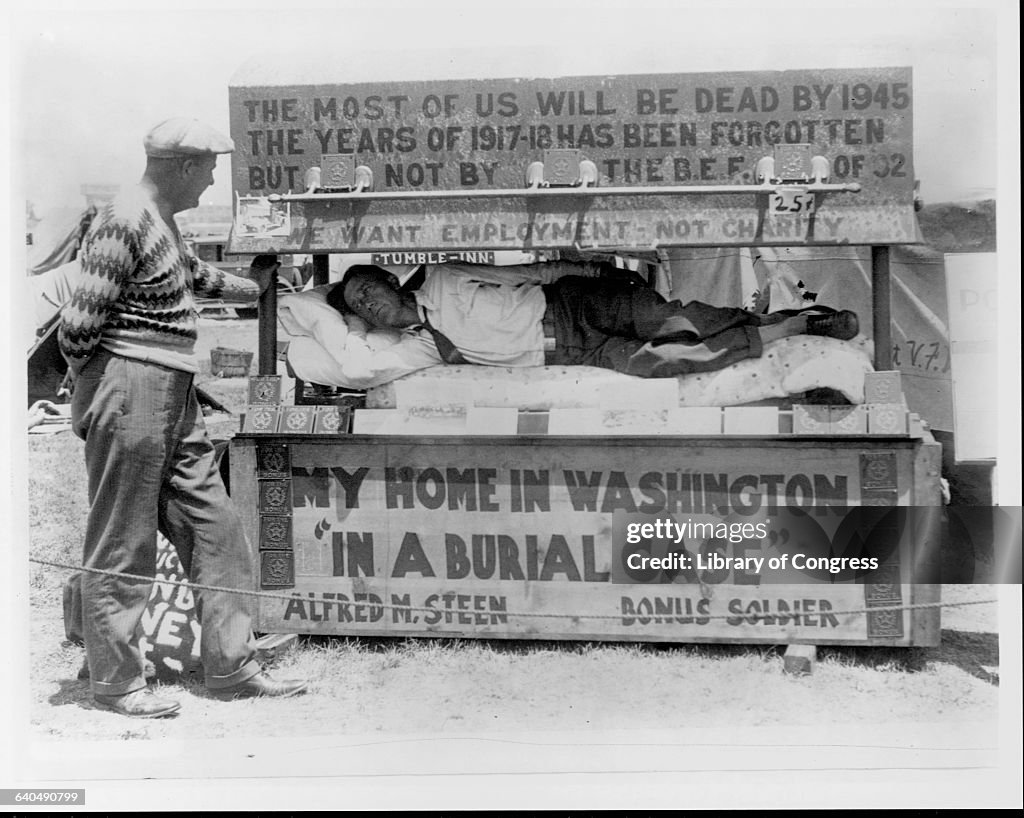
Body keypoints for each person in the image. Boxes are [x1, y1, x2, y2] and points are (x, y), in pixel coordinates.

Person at [58, 117, 308, 718]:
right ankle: (116, 681)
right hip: (132, 380)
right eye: (209, 166)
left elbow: (191, 278)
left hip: (172, 385)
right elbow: (76, 326)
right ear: (180, 165)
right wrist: (94, 391)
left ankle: (230, 663)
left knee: (214, 525)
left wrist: (256, 286)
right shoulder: (124, 217)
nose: (213, 178)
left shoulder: (159, 222)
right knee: (124, 536)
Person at [319, 261, 859, 389]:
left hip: (574, 304)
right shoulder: (421, 347)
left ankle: (787, 323)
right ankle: (788, 325)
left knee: (664, 319)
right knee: (667, 362)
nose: (368, 307)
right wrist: (335, 315)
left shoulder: (439, 279)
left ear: (391, 280)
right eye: (358, 307)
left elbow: (524, 273)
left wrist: (595, 270)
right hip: (574, 352)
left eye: (369, 291)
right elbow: (355, 367)